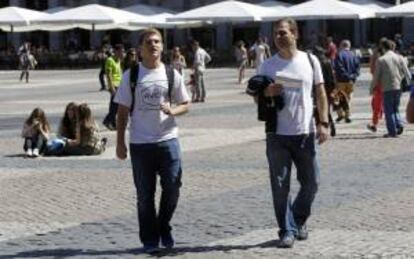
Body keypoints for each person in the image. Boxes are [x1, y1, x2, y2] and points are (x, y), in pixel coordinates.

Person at [114, 28, 190, 254]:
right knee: (145, 196)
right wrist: (120, 142)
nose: (153, 45)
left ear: (162, 46)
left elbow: (186, 103)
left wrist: (173, 110)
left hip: (168, 140)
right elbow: (122, 112)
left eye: (157, 41)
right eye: (149, 42)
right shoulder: (132, 75)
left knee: (173, 187)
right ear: (140, 48)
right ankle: (149, 238)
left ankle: (163, 225)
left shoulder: (171, 74)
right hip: (141, 144)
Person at [256, 18, 328, 248]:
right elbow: (256, 96)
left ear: (295, 34)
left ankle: (297, 218)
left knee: (312, 182)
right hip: (277, 134)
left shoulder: (310, 60)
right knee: (280, 186)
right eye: (276, 34)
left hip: (305, 133)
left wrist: (323, 122)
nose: (279, 37)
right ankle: (286, 230)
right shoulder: (267, 65)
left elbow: (321, 93)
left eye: (283, 33)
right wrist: (266, 92)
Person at [371, 39, 411, 138]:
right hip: (398, 87)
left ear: (383, 48)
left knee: (388, 110)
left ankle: (392, 132)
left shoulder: (381, 59)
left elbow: (376, 76)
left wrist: (372, 88)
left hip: (387, 87)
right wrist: (402, 80)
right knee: (395, 108)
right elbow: (407, 73)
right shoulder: (399, 57)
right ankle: (399, 124)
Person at [333, 39, 360, 123]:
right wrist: (352, 76)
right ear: (349, 46)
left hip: (341, 80)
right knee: (349, 97)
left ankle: (341, 114)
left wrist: (346, 76)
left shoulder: (339, 55)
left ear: (341, 45)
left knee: (340, 97)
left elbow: (339, 68)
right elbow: (358, 68)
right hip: (351, 81)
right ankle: (347, 115)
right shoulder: (354, 55)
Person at [313, 46, 337, 136]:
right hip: (328, 88)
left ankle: (320, 126)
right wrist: (333, 89)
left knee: (317, 109)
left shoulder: (315, 63)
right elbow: (331, 77)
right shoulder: (327, 61)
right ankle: (331, 124)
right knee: (325, 108)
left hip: (318, 87)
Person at [367, 38, 387, 133]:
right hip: (391, 83)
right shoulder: (391, 53)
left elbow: (372, 70)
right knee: (389, 104)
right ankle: (395, 123)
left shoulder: (376, 54)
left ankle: (375, 123)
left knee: (376, 104)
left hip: (379, 83)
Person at [103, 44, 124, 131]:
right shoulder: (109, 60)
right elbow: (108, 75)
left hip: (120, 85)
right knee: (114, 106)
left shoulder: (118, 60)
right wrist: (111, 87)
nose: (122, 53)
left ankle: (110, 121)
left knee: (116, 106)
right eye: (121, 51)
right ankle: (109, 121)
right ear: (116, 51)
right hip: (114, 85)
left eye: (123, 51)